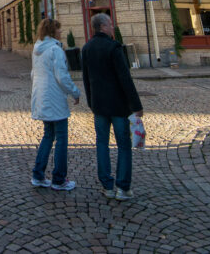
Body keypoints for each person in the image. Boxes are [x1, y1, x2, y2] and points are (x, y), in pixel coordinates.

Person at [81, 13, 143, 201]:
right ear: (103, 27)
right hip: (118, 105)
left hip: (99, 105)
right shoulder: (114, 47)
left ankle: (107, 185)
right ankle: (123, 188)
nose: (112, 26)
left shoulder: (87, 48)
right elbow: (125, 78)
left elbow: (86, 80)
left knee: (102, 143)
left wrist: (91, 102)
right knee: (123, 145)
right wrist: (136, 105)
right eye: (110, 23)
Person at [30, 18, 80, 191]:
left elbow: (32, 74)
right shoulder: (55, 50)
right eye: (59, 29)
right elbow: (62, 77)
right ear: (53, 31)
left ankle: (38, 174)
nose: (61, 32)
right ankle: (59, 179)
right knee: (61, 139)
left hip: (42, 97)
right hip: (55, 99)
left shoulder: (37, 49)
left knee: (48, 136)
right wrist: (75, 92)